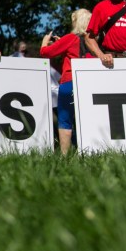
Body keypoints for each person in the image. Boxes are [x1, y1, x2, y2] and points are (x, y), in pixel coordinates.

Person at [40, 8, 92, 154]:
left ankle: (65, 156)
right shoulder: (94, 42)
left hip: (69, 82)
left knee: (65, 120)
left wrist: (45, 42)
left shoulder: (70, 38)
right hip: (89, 83)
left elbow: (46, 53)